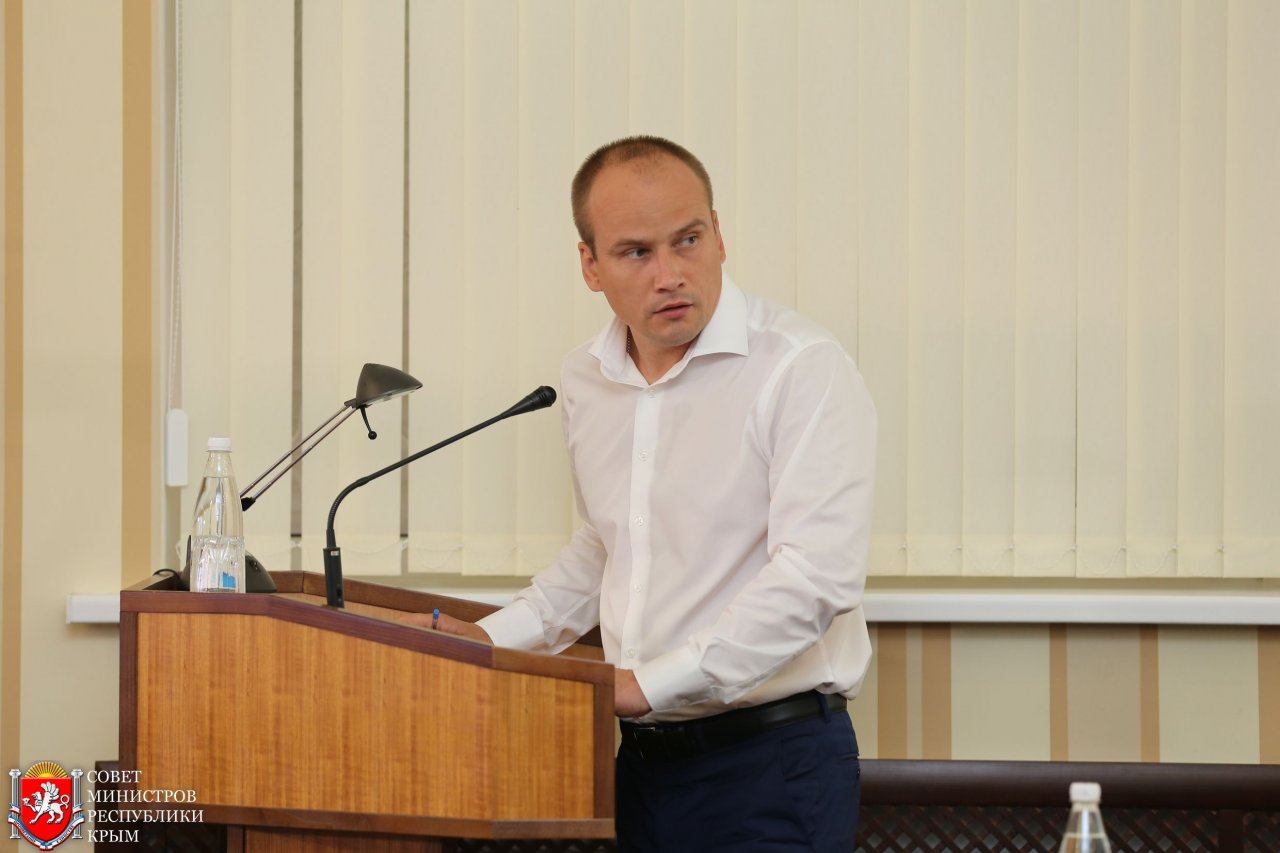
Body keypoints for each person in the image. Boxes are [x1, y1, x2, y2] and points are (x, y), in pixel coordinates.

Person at [407, 135, 876, 852]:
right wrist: (490, 640)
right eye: (635, 252)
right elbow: (607, 545)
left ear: (719, 235)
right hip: (642, 768)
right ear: (590, 266)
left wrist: (645, 684)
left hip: (771, 765)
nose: (670, 275)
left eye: (688, 240)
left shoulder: (801, 368)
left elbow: (816, 576)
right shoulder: (585, 380)